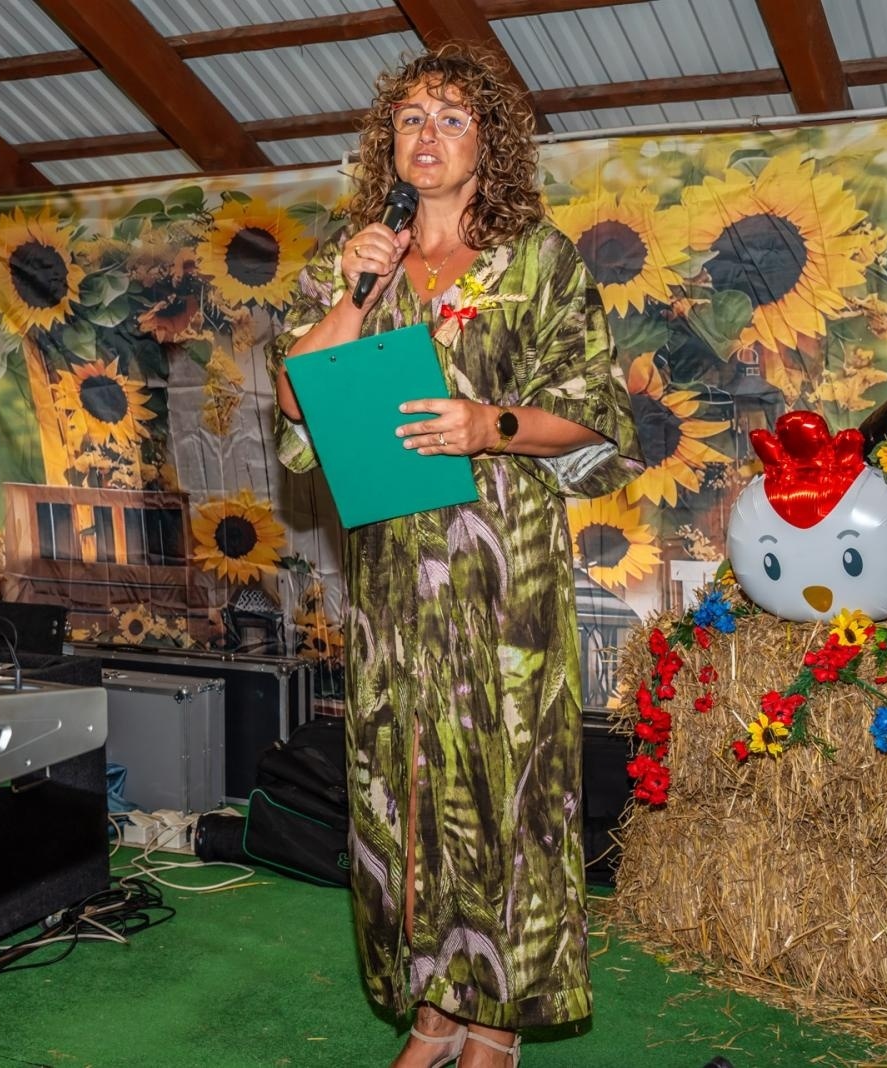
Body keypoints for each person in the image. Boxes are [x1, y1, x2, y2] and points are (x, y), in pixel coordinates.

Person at [270, 44, 640, 1067]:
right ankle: (434, 1014)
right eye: (410, 119)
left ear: (490, 143)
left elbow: (595, 414)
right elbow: (296, 398)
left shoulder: (539, 261)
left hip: (503, 574)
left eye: (451, 118)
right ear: (386, 142)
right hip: (392, 573)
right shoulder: (355, 257)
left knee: (504, 789)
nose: (425, 135)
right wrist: (357, 292)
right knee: (405, 786)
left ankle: (496, 1027)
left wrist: (490, 424)